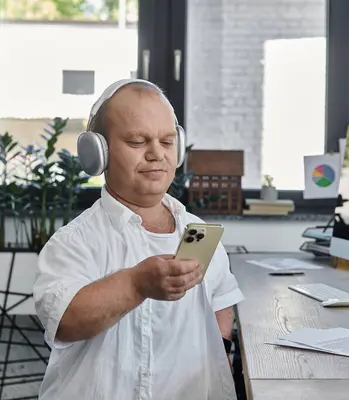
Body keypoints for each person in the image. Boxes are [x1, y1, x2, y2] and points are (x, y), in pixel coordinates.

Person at [33, 78, 244, 399]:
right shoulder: (74, 241)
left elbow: (220, 305)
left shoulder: (197, 231)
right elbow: (65, 321)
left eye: (167, 141)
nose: (156, 153)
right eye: (136, 141)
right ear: (97, 153)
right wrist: (136, 284)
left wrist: (222, 356)